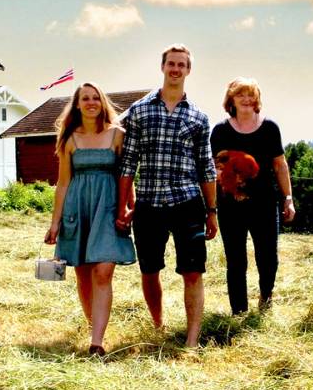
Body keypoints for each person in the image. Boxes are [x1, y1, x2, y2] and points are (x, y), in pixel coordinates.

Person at [116, 44, 217, 348]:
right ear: (162, 67)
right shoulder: (139, 111)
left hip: (187, 203)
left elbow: (206, 168)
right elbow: (128, 163)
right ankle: (158, 325)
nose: (175, 69)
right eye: (171, 64)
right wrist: (122, 208)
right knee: (149, 270)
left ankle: (192, 340)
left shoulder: (199, 117)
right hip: (148, 204)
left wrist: (212, 211)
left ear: (188, 70)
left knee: (193, 271)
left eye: (181, 65)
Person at [45, 82, 136, 356]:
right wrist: (55, 222)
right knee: (83, 274)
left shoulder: (118, 135)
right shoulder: (69, 139)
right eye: (85, 98)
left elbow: (126, 175)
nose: (91, 102)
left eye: (96, 97)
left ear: (102, 101)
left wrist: (129, 207)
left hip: (108, 207)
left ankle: (97, 342)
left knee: (103, 271)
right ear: (77, 104)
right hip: (78, 208)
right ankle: (93, 325)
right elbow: (62, 183)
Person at [210, 78, 296, 315]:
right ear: (231, 100)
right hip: (231, 204)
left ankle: (266, 299)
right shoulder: (220, 131)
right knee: (236, 259)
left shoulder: (270, 128)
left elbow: (280, 165)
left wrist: (288, 198)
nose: (246, 100)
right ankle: (239, 311)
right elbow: (217, 168)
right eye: (240, 95)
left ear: (257, 99)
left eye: (251, 95)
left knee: (267, 257)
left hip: (265, 204)